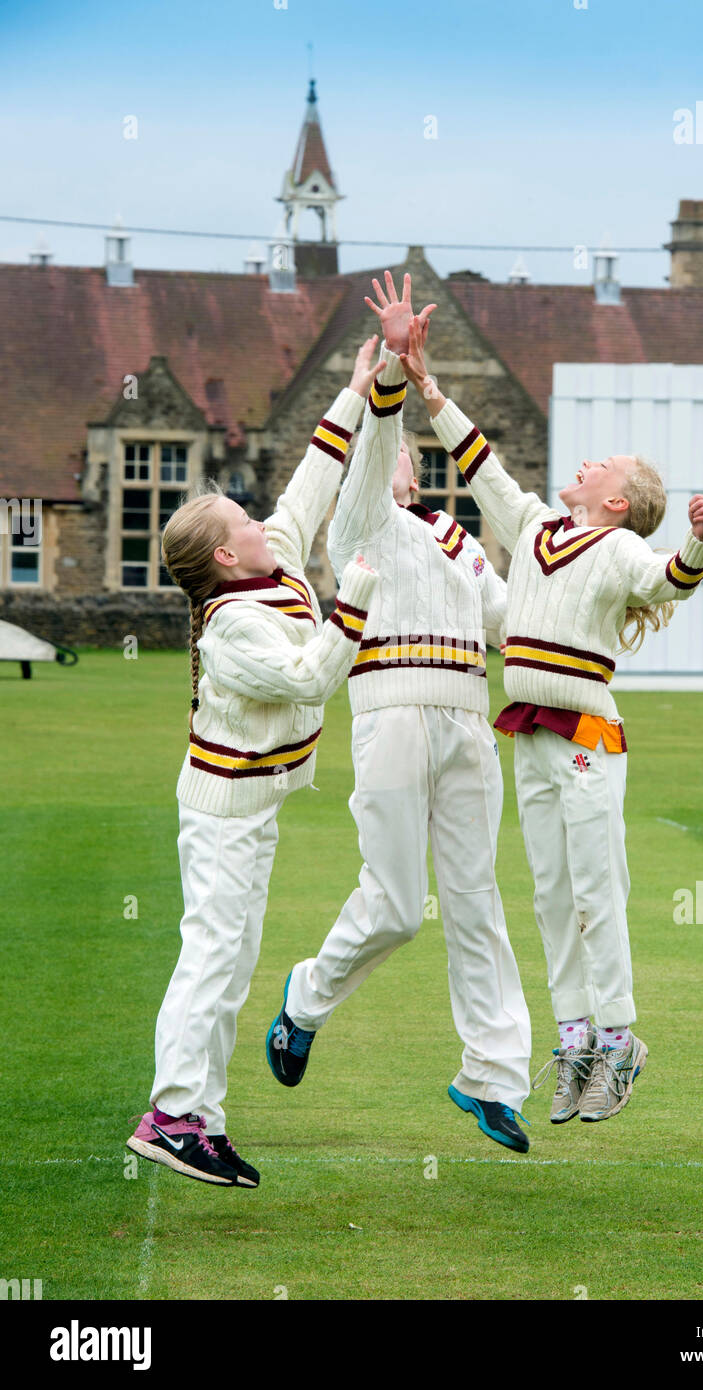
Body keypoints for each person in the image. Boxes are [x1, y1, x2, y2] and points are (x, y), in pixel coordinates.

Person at [398, 314, 703, 1127]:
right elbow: (483, 469)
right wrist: (428, 385)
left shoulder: (614, 550)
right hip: (531, 730)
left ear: (615, 500)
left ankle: (619, 1041)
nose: (581, 464)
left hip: (587, 736)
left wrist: (699, 539)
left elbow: (667, 582)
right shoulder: (536, 526)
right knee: (547, 889)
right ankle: (573, 1037)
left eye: (599, 465)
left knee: (594, 887)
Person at [265, 273, 533, 1153]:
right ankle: (305, 999)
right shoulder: (355, 527)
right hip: (390, 714)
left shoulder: (459, 542)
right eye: (391, 456)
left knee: (475, 899)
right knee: (394, 906)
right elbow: (374, 451)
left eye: (413, 456)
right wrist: (389, 366)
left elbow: (515, 625)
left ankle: (490, 1078)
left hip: (466, 718)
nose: (400, 463)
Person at [126, 341, 382, 1186]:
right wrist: (354, 605)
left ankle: (202, 1117)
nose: (257, 520)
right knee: (212, 955)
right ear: (226, 558)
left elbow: (307, 486)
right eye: (241, 521)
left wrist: (352, 394)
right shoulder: (233, 625)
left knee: (231, 961)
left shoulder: (264, 562)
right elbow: (312, 676)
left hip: (256, 801)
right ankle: (170, 1116)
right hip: (224, 808)